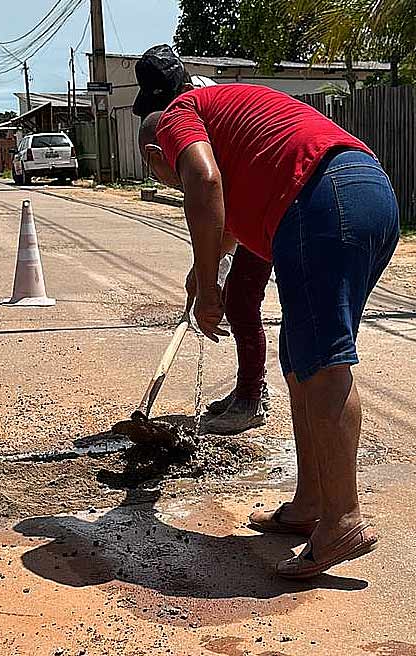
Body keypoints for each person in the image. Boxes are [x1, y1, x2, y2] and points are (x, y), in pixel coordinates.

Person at [138, 82, 399, 578]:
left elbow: (206, 182)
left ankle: (343, 519)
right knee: (302, 357)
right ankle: (310, 503)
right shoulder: (223, 117)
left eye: (160, 173)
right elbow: (232, 209)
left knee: (322, 361)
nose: (169, 182)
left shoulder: (175, 116)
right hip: (362, 192)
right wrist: (207, 270)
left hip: (322, 197)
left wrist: (212, 293)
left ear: (156, 153)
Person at [132, 44, 272, 435]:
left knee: (242, 299)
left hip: (261, 199)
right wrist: (204, 271)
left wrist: (210, 280)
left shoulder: (197, 105)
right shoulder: (177, 114)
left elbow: (212, 187)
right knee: (237, 299)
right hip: (243, 205)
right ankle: (248, 389)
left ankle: (252, 396)